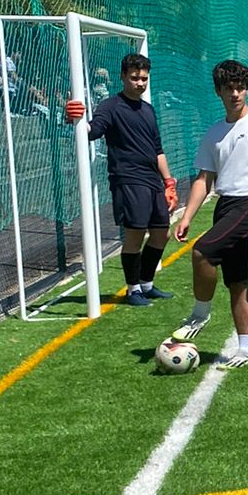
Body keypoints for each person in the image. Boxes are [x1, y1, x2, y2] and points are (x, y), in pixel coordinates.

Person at [170, 60, 248, 367]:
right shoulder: (215, 133)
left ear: (247, 89)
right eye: (229, 88)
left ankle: (199, 315)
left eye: (241, 88)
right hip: (227, 206)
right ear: (218, 91)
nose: (236, 94)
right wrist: (186, 217)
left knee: (202, 252)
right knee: (238, 281)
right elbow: (203, 178)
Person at [64, 51, 178, 305]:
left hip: (152, 180)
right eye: (135, 77)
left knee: (162, 234)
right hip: (128, 180)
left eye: (144, 78)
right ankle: (133, 289)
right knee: (135, 234)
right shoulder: (111, 106)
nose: (140, 83)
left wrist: (168, 182)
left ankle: (147, 284)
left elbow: (157, 149)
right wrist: (74, 117)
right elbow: (91, 131)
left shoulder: (148, 109)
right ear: (123, 76)